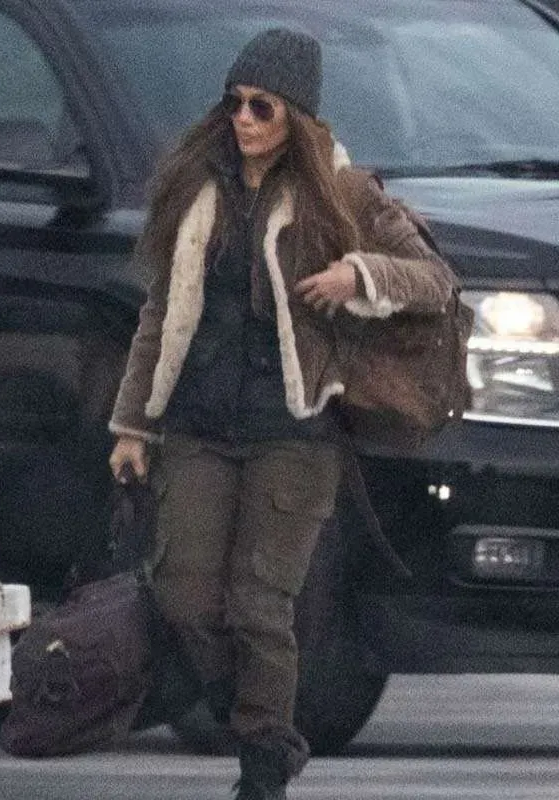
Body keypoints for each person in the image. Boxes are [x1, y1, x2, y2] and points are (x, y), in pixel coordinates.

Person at [108, 27, 458, 800]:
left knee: (260, 604)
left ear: (295, 115)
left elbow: (434, 280)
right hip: (197, 428)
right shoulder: (195, 188)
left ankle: (265, 758)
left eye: (261, 106)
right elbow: (160, 314)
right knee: (185, 594)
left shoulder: (343, 193)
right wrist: (133, 425)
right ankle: (251, 715)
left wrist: (359, 276)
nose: (243, 118)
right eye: (234, 102)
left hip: (294, 435)